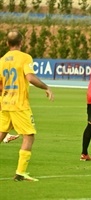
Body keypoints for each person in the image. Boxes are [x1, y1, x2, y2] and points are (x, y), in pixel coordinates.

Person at [0, 30, 54, 181]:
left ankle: (20, 173)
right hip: (19, 104)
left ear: (7, 43)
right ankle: (20, 173)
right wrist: (46, 88)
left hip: (4, 103)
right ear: (21, 43)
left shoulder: (2, 60)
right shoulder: (25, 57)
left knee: (1, 133)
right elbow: (30, 77)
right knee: (29, 136)